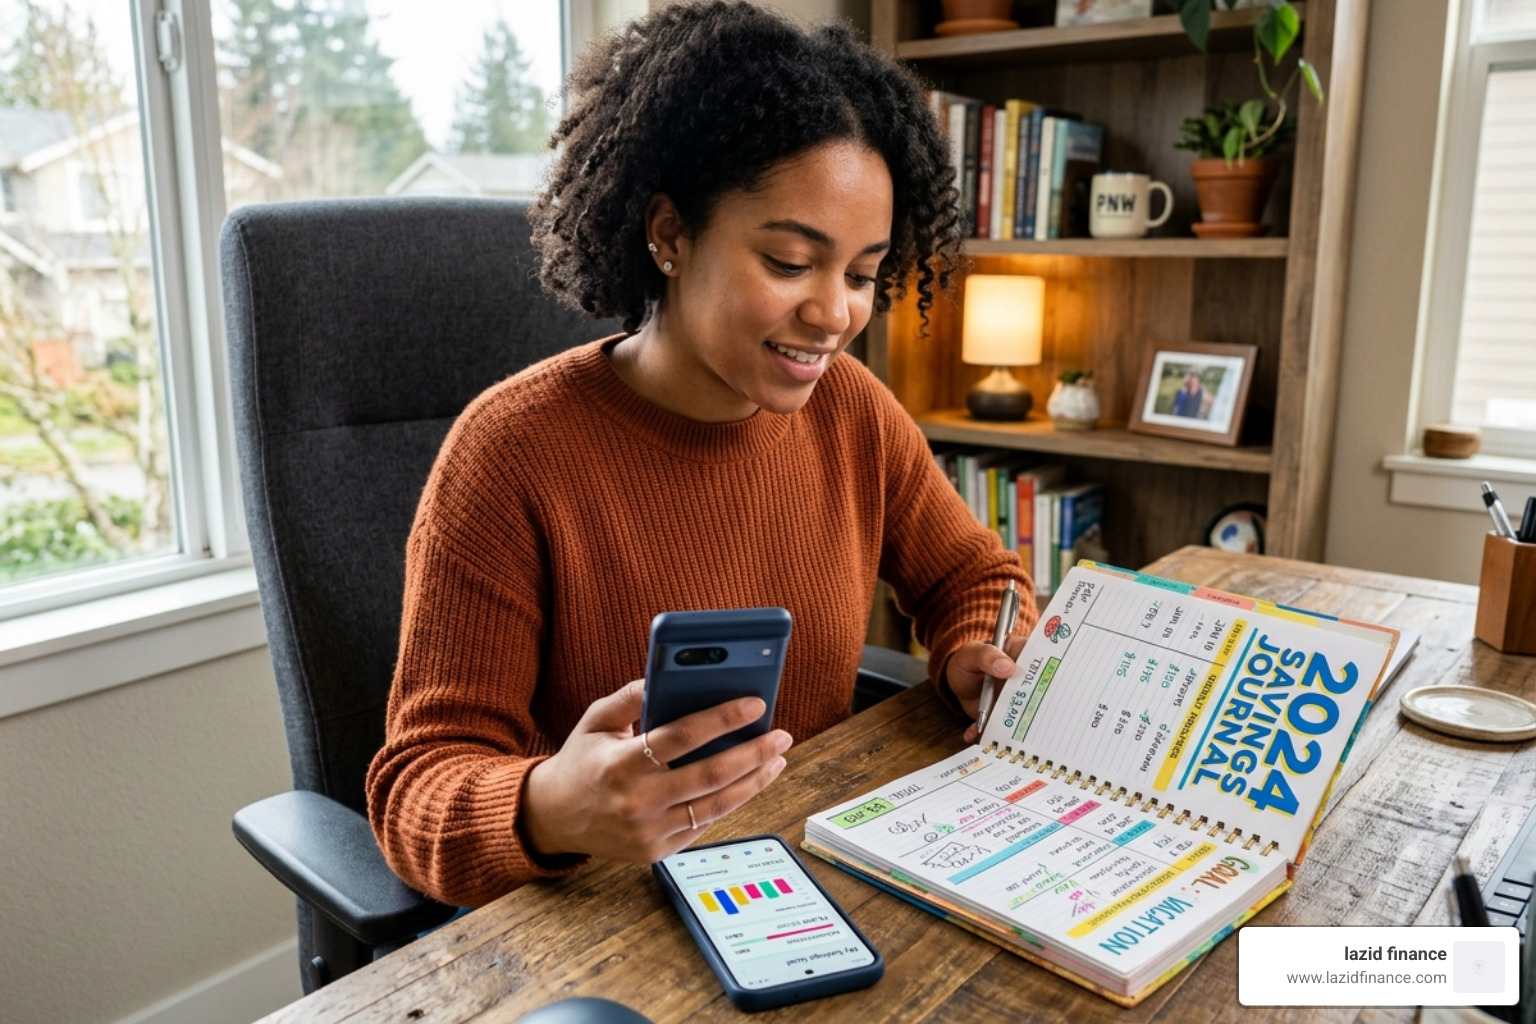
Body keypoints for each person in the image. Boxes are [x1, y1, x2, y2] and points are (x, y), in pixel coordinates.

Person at [365, 1, 1037, 909]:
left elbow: (974, 575)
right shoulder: (510, 452)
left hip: (806, 885)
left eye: (862, 273)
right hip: (597, 923)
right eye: (792, 262)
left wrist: (973, 648)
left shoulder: (850, 412)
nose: (835, 312)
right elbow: (416, 790)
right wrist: (549, 808)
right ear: (671, 235)